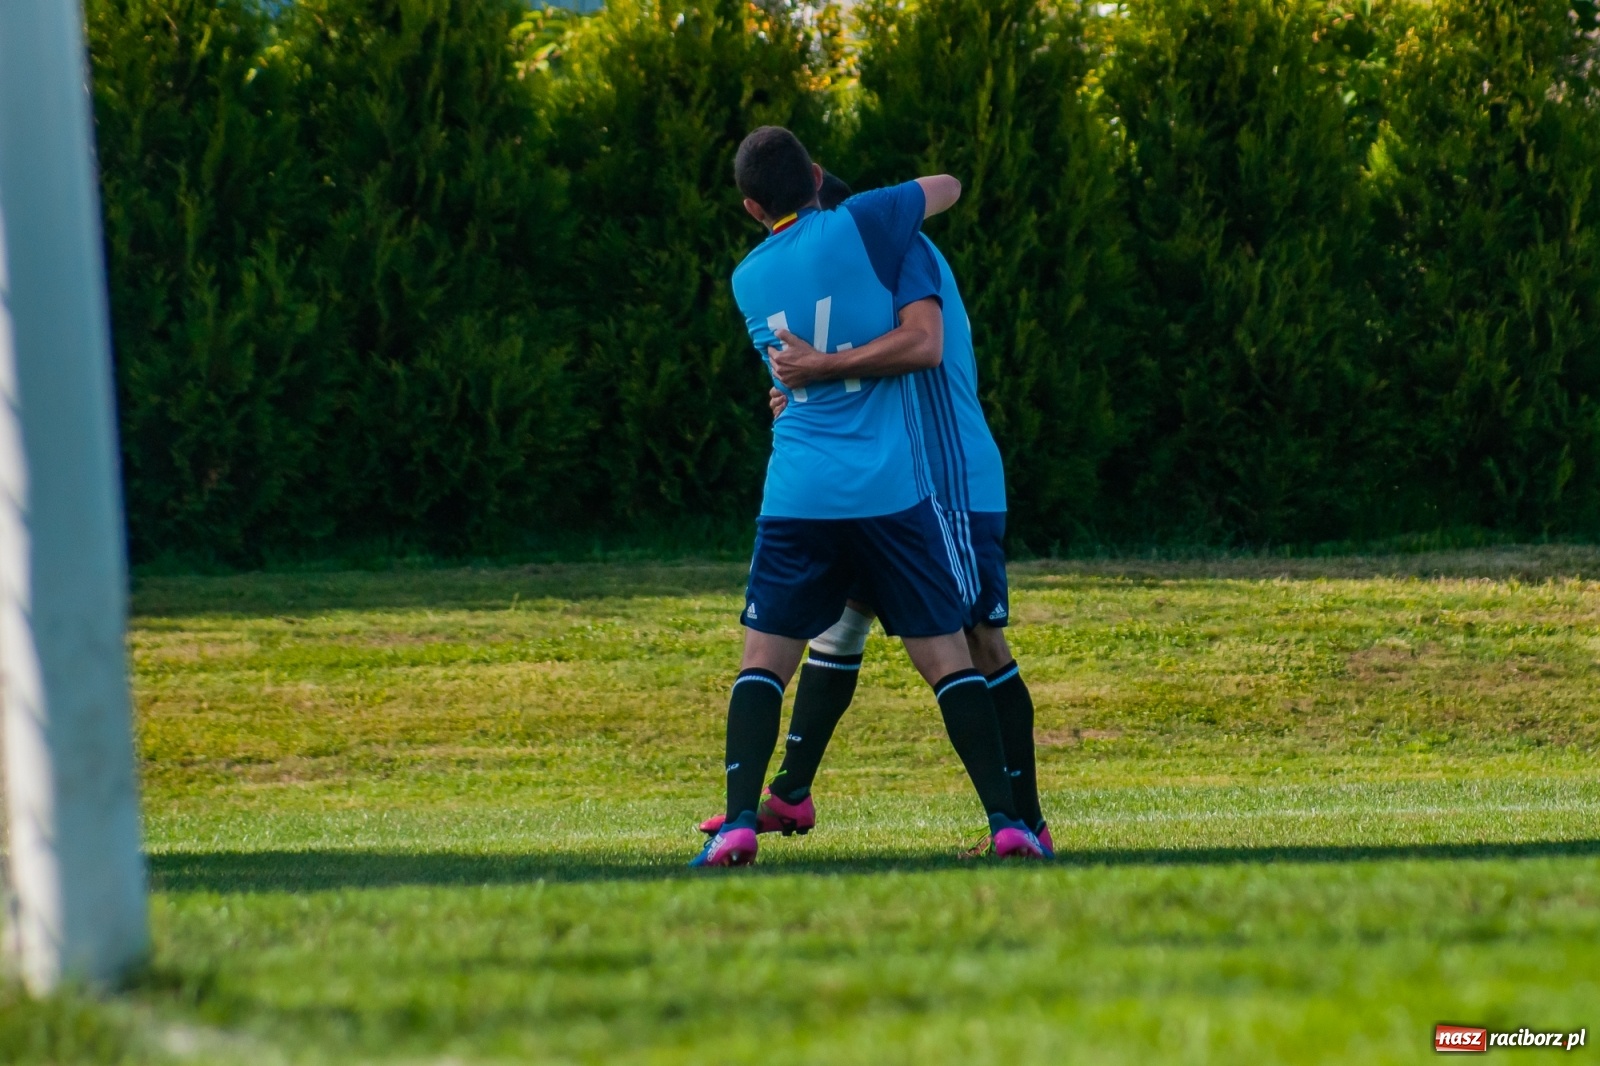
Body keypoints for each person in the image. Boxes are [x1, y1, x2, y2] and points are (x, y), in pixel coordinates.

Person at [690, 127, 1043, 867]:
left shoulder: (890, 248)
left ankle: (1024, 823)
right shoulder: (859, 240)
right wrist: (802, 388)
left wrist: (820, 371)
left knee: (975, 640)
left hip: (943, 473)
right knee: (845, 625)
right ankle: (791, 790)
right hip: (887, 475)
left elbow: (921, 347)